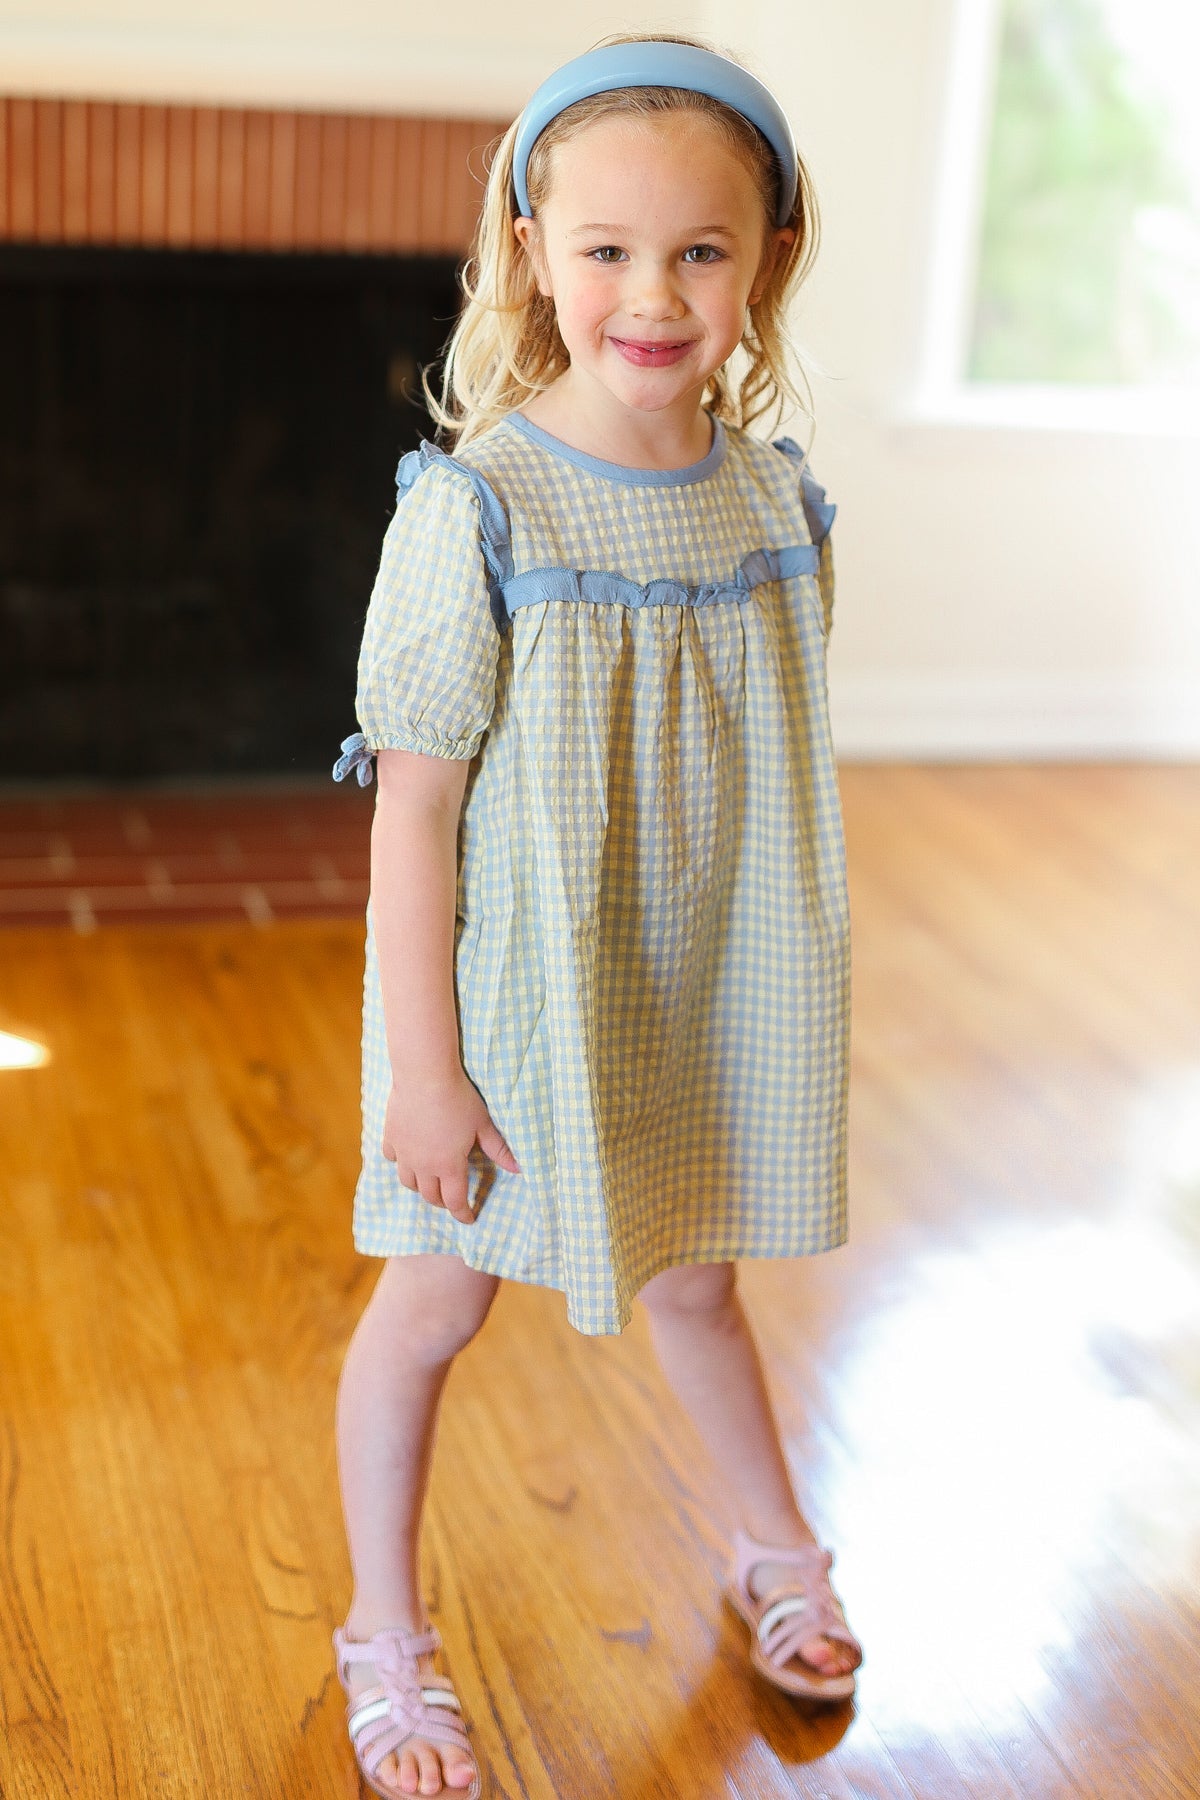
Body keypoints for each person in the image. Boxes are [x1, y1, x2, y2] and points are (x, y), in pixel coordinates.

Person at [330, 31, 861, 1798]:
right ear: (531, 250)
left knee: (699, 1277)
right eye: (608, 249)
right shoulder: (480, 506)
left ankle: (776, 1548)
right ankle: (383, 1633)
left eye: (701, 251)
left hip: (691, 978)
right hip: (506, 1001)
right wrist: (428, 1075)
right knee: (433, 1303)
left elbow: (744, 766)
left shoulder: (777, 503)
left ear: (770, 255)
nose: (653, 294)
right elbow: (416, 811)